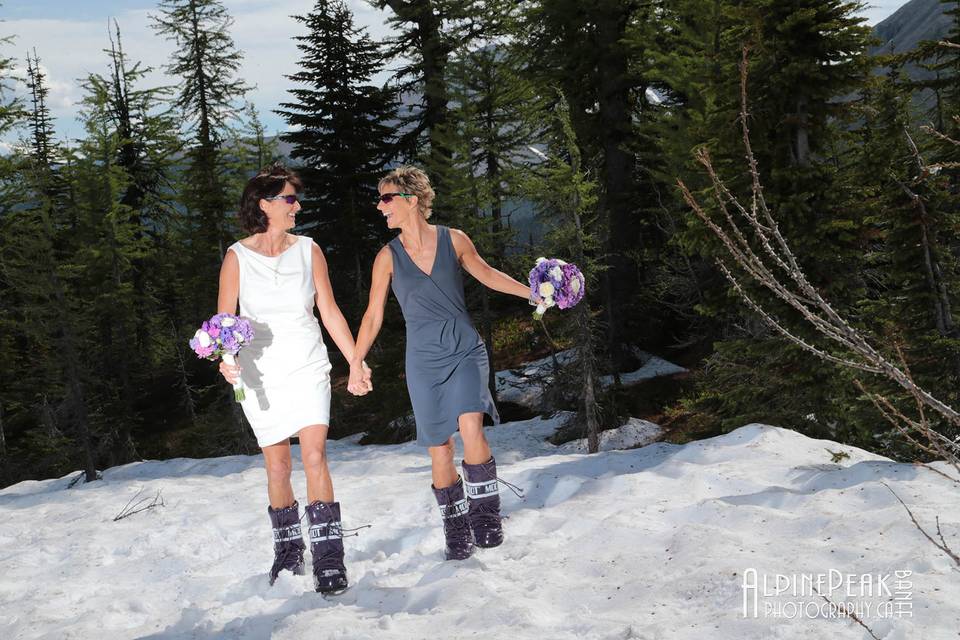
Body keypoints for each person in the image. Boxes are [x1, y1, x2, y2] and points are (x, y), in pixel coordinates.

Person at [349, 165, 536, 560]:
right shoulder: (387, 257)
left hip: (464, 346)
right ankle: (456, 528)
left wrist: (531, 293)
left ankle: (485, 517)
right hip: (423, 359)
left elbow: (487, 274)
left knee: (471, 427)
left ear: (411, 200)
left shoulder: (455, 240)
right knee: (440, 449)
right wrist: (355, 360)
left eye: (386, 198)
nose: (380, 206)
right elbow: (373, 315)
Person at [217, 164, 371, 592]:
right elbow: (224, 320)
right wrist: (225, 358)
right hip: (260, 372)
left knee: (315, 456)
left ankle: (329, 558)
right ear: (264, 205)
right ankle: (288, 552)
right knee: (279, 465)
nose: (297, 206)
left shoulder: (309, 249)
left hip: (306, 363)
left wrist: (355, 359)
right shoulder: (237, 256)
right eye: (289, 199)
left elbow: (330, 311)